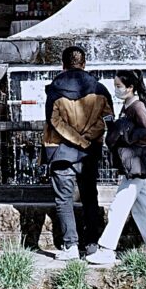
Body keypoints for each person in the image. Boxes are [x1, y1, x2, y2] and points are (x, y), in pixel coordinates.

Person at [88, 70, 146, 264]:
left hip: (137, 164)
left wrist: (124, 136)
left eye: (119, 86)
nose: (116, 89)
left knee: (119, 207)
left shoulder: (137, 107)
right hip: (135, 166)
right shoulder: (129, 106)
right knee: (142, 207)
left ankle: (107, 249)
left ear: (130, 87)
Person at [41, 44, 111, 260]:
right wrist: (86, 139)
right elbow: (107, 120)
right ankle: (91, 244)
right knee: (90, 197)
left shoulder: (54, 90)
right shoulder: (100, 89)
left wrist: (76, 140)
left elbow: (54, 122)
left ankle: (70, 246)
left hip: (61, 152)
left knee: (63, 199)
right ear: (84, 63)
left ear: (63, 65)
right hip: (89, 153)